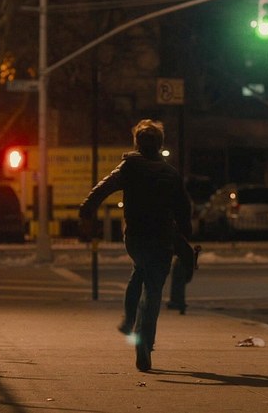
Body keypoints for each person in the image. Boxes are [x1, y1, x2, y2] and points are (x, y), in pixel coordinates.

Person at [79, 119, 192, 372]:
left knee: (140, 268)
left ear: (137, 144)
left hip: (135, 238)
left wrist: (87, 210)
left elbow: (102, 188)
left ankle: (129, 319)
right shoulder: (170, 174)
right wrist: (185, 235)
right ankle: (143, 340)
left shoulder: (129, 167)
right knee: (152, 291)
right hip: (162, 239)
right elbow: (184, 209)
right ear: (160, 145)